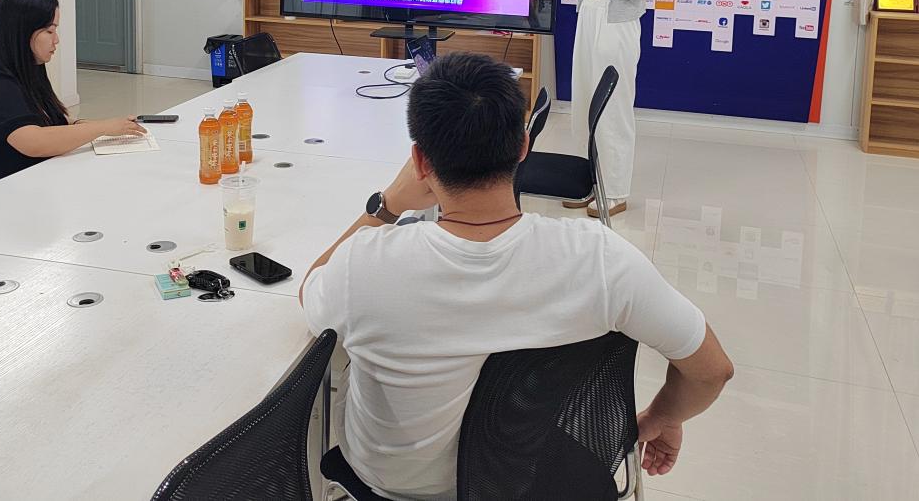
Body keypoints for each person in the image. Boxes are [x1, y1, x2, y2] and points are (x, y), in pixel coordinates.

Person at [301, 52, 732, 501]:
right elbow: (712, 371)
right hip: (527, 477)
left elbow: (310, 292)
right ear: (524, 146)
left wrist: (389, 203)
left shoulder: (365, 264)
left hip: (392, 489)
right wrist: (664, 416)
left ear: (420, 163)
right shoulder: (602, 260)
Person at [0, 0, 147, 190]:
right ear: (22, 32)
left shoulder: (28, 67)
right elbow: (35, 142)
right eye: (49, 31)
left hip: (31, 181)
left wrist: (102, 126)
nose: (56, 40)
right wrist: (103, 128)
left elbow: (46, 117)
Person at [565, 0, 652, 218]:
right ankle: (587, 183)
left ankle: (615, 192)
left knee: (613, 107)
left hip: (618, 25)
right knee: (585, 100)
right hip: (589, 16)